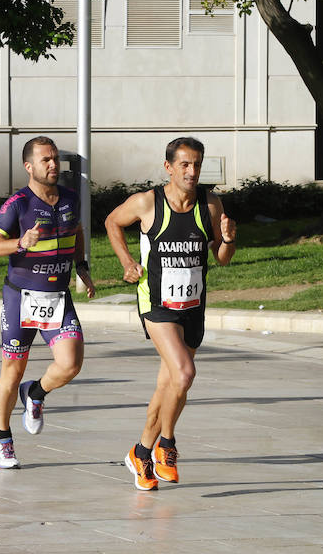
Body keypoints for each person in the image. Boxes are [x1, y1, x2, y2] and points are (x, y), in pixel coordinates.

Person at [104, 136, 237, 490]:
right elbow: (112, 223)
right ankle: (167, 444)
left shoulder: (210, 205)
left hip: (193, 306)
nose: (192, 171)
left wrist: (228, 239)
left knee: (170, 383)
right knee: (184, 372)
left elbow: (221, 259)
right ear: (169, 167)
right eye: (184, 164)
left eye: (196, 164)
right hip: (157, 304)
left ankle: (141, 452)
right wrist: (127, 262)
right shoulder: (148, 203)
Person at [0, 136, 96, 469]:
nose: (52, 165)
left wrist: (83, 267)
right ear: (28, 166)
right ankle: (2, 437)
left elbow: (77, 231)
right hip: (21, 298)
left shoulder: (71, 199)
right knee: (12, 371)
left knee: (71, 363)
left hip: (58, 296)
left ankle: (36, 393)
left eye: (55, 159)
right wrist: (21, 242)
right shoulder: (17, 204)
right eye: (45, 160)